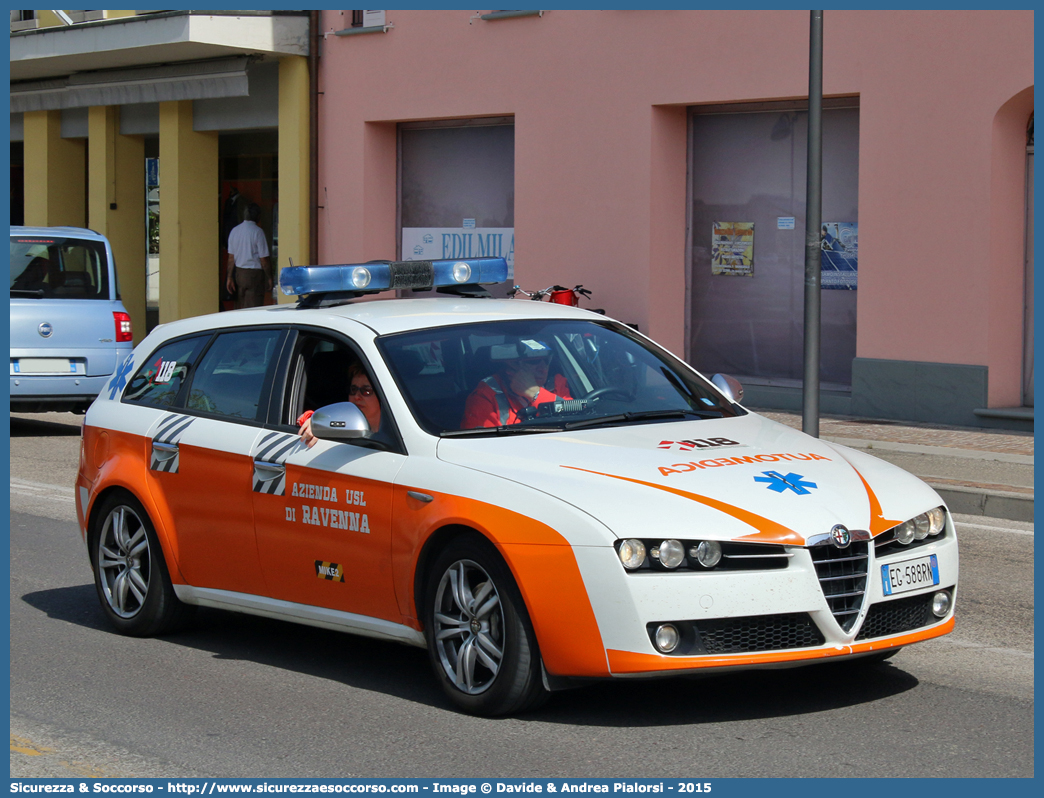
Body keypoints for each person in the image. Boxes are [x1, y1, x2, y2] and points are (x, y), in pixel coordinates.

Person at [461, 339, 571, 428]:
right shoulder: (485, 394)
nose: (543, 369)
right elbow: (482, 446)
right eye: (534, 361)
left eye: (547, 360)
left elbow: (572, 419)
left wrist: (535, 393)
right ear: (511, 364)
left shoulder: (557, 383)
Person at [297, 362, 381, 448]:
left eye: (366, 391)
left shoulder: (395, 428)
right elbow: (318, 420)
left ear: (381, 395)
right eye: (353, 390)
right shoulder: (339, 423)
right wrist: (316, 424)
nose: (357, 396)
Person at [225, 203, 271, 309]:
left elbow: (231, 258)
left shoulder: (234, 231)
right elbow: (264, 259)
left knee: (240, 307)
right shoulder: (258, 232)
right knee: (253, 308)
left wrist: (229, 277)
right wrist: (269, 277)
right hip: (254, 275)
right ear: (258, 216)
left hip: (239, 274)